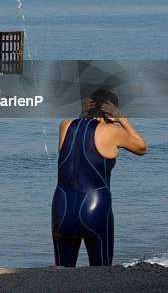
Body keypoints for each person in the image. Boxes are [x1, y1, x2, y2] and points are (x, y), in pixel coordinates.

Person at [51, 88, 147, 267]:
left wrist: (83, 113)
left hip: (61, 208)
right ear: (111, 112)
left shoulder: (65, 125)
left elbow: (77, 144)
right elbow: (141, 148)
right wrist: (123, 119)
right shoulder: (113, 130)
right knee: (101, 271)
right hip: (95, 209)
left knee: (62, 273)